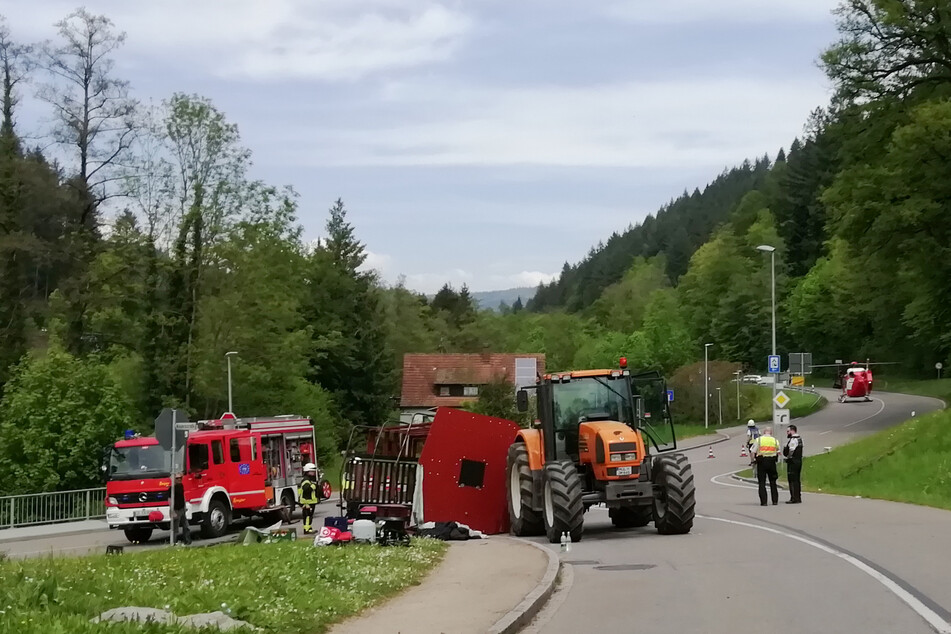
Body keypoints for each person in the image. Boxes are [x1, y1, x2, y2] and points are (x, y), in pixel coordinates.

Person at [749, 426, 780, 506]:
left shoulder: (759, 440)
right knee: (773, 482)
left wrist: (753, 461)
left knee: (762, 483)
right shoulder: (775, 441)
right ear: (771, 432)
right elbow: (778, 452)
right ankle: (775, 500)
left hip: (762, 462)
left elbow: (752, 452)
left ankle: (764, 502)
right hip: (772, 462)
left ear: (764, 432)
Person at [783, 424, 803, 504]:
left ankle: (794, 498)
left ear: (792, 431)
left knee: (792, 480)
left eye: (788, 431)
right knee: (797, 480)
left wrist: (788, 457)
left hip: (793, 462)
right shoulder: (800, 439)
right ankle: (798, 497)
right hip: (799, 461)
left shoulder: (793, 440)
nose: (787, 433)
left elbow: (791, 450)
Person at [298, 463, 319, 534]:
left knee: (309, 516)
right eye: (312, 471)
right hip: (307, 502)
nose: (313, 473)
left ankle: (309, 528)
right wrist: (313, 486)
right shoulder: (306, 480)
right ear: (308, 471)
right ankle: (306, 530)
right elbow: (306, 489)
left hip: (310, 502)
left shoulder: (309, 479)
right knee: (307, 516)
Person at [171, 473, 192, 545]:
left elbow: (183, 497)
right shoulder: (172, 488)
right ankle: (173, 542)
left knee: (186, 525)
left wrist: (185, 506)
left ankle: (187, 541)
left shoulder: (181, 486)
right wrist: (172, 511)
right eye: (177, 478)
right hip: (176, 510)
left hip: (182, 509)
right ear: (174, 479)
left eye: (180, 478)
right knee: (175, 528)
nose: (179, 479)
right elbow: (169, 500)